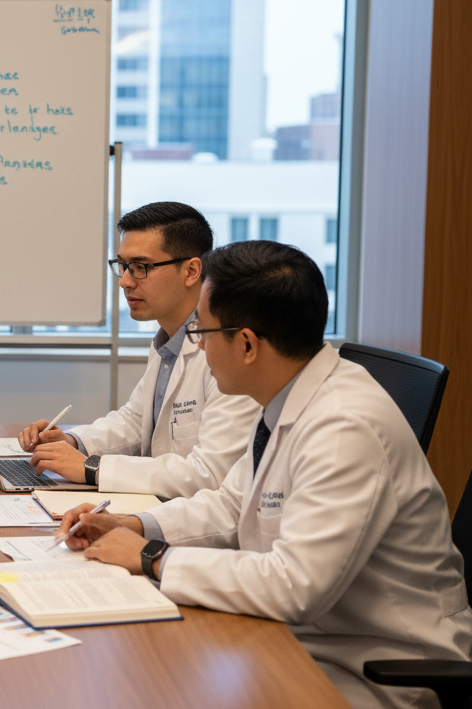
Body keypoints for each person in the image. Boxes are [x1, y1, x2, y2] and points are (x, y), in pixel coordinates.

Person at [57, 240, 471, 709]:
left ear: (248, 344)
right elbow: (234, 504)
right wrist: (134, 526)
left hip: (375, 668)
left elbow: (294, 586)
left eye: (203, 333)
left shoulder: (345, 427)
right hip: (303, 640)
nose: (199, 348)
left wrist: (152, 556)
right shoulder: (286, 393)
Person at [19, 202, 259, 498]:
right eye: (123, 266)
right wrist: (73, 441)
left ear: (191, 271)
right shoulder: (169, 340)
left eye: (141, 267)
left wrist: (92, 468)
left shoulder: (230, 350)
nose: (125, 281)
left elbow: (210, 474)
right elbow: (135, 421)